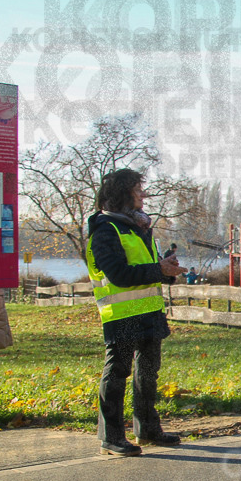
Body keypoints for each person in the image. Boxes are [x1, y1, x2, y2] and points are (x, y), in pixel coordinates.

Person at [86, 168, 187, 456]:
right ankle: (112, 436)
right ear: (123, 194)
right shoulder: (106, 229)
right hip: (121, 316)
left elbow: (147, 270)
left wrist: (167, 270)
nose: (143, 194)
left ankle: (148, 429)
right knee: (118, 373)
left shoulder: (138, 228)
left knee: (148, 373)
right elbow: (118, 274)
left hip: (149, 313)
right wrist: (158, 269)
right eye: (137, 189)